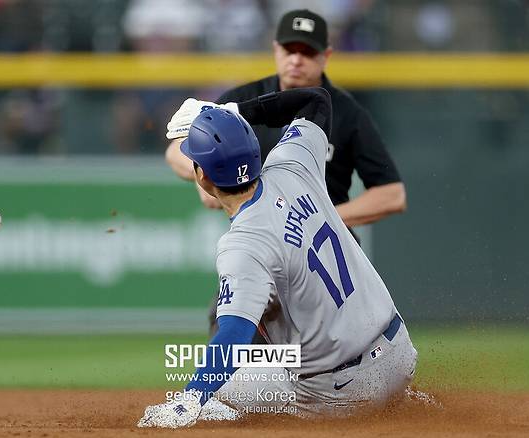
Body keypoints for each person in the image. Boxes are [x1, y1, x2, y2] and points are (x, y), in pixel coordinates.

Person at [138, 88, 417, 428]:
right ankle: (402, 400)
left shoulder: (243, 245)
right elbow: (316, 100)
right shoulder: (291, 163)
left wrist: (190, 397)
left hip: (342, 394)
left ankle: (221, 407)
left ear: (203, 176)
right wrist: (235, 109)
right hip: (400, 357)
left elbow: (234, 334)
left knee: (218, 384)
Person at [165, 9, 406, 336]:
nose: (296, 59)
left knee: (330, 352)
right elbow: (176, 147)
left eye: (307, 52)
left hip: (322, 256)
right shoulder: (245, 100)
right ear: (275, 49)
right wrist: (204, 174)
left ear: (326, 57)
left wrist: (323, 217)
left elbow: (392, 194)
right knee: (230, 330)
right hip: (263, 245)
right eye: (289, 49)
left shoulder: (347, 113)